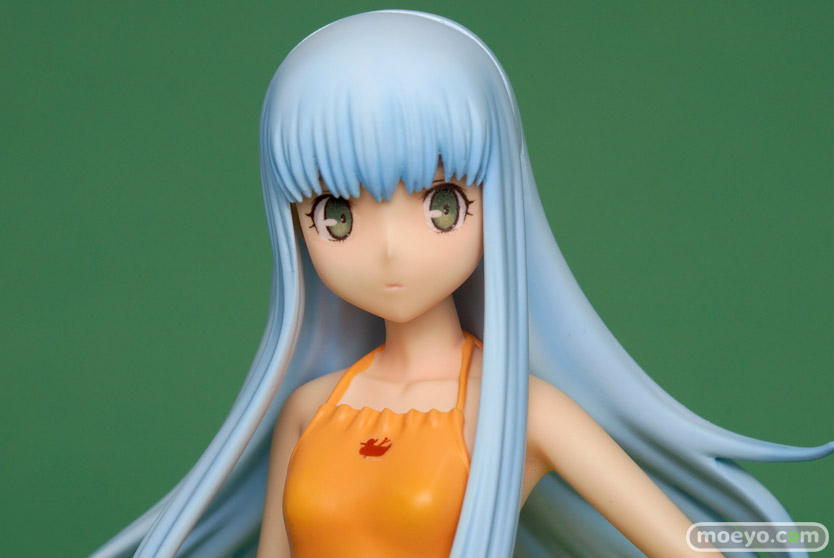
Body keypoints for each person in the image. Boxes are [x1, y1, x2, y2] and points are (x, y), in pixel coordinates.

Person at [91, 10, 832, 558]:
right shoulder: (309, 411)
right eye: (336, 214)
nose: (389, 251)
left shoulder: (520, 413)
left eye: (440, 204)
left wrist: (778, 536)